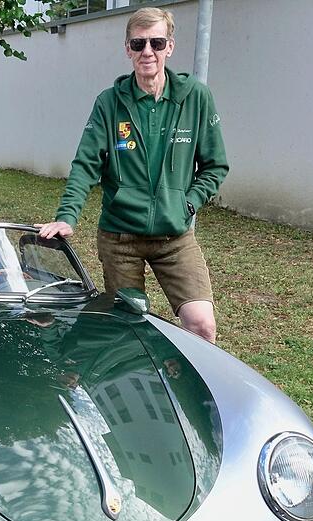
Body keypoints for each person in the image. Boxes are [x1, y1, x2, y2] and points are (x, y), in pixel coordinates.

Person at [37, 7, 228, 343]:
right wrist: (67, 216)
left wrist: (188, 203)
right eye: (138, 44)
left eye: (157, 43)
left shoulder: (195, 98)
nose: (147, 52)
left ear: (170, 47)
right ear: (128, 49)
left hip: (174, 237)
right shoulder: (110, 103)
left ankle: (190, 380)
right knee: (127, 330)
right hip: (120, 238)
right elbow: (86, 164)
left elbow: (215, 166)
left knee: (202, 325)